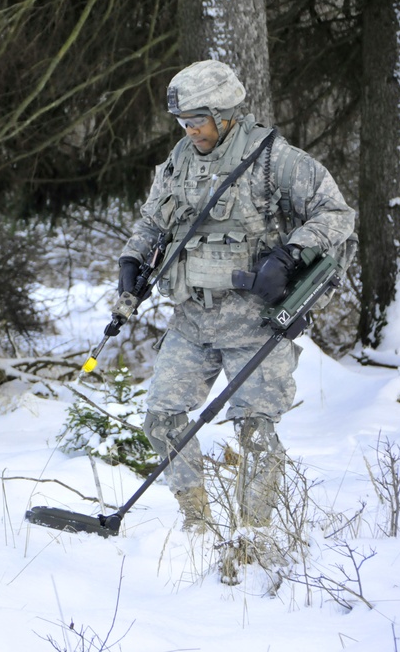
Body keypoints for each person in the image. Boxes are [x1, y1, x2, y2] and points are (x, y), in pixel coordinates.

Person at [118, 60, 356, 532]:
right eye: (183, 123)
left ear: (225, 114)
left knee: (256, 432)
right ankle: (196, 524)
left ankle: (254, 535)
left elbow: (337, 214)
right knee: (162, 420)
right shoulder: (178, 162)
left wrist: (289, 255)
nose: (191, 131)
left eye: (199, 121)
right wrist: (131, 261)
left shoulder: (275, 160)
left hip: (254, 323)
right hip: (191, 320)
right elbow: (152, 222)